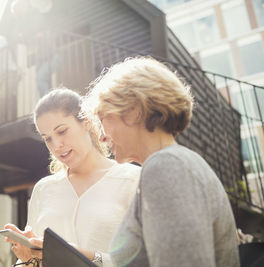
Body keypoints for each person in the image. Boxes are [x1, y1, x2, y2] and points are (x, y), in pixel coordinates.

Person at [84, 56, 240, 267]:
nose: (101, 136)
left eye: (102, 118)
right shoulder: (175, 164)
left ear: (133, 111)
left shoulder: (167, 167)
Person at [4, 88, 140, 266]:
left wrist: (90, 256)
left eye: (61, 131)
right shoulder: (43, 189)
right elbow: (34, 262)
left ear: (86, 122)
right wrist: (27, 260)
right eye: (47, 138)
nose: (56, 145)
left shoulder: (133, 180)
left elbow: (147, 260)